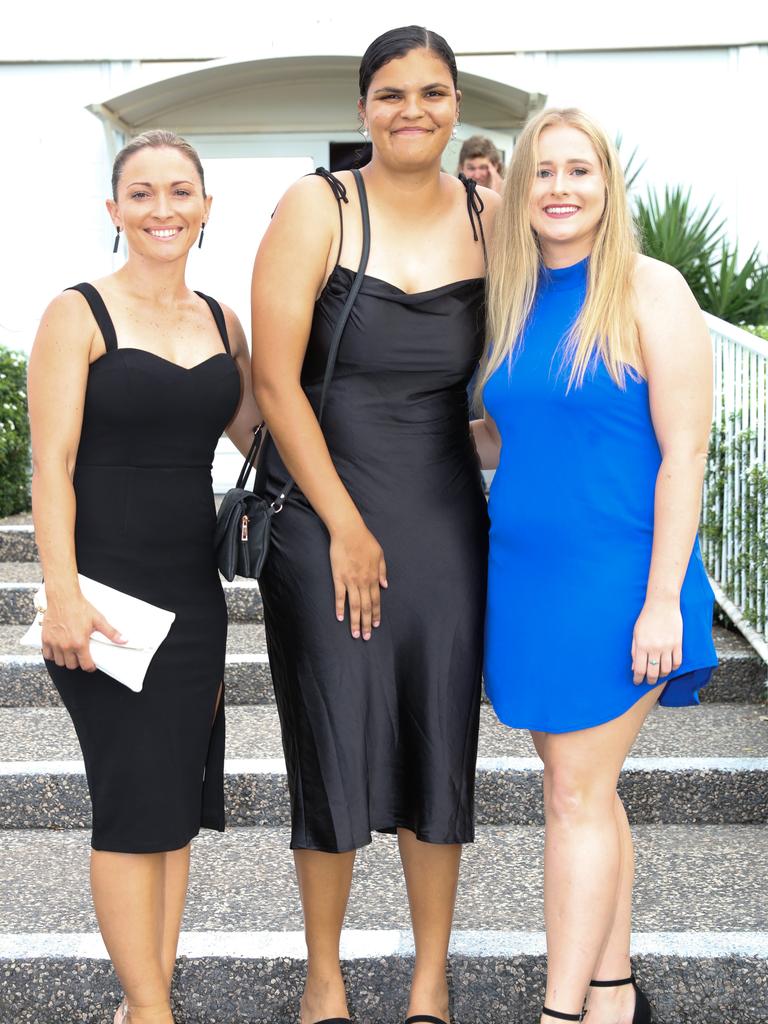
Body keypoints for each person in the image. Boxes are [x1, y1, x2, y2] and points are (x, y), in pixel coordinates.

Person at [250, 26, 498, 1024]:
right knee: (333, 737)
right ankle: (325, 978)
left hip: (443, 511)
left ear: (455, 105)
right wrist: (345, 525)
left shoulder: (492, 215)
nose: (413, 109)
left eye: (433, 92)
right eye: (392, 93)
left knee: (441, 741)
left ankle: (430, 983)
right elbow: (274, 380)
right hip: (323, 510)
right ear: (363, 108)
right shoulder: (319, 205)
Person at [472, 107, 717, 1024]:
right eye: (544, 172)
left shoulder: (652, 291)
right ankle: (612, 993)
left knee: (573, 794)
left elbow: (685, 454)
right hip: (528, 579)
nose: (562, 187)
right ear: (519, 190)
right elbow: (510, 433)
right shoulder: (515, 297)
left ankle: (561, 1011)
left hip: (620, 583)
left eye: (581, 170)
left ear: (609, 184)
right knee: (585, 790)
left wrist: (663, 600)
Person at [28, 130, 260, 1024]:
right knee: (132, 804)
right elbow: (51, 466)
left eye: (180, 192)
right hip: (104, 592)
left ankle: (144, 1001)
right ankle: (151, 1011)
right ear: (114, 208)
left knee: (171, 804)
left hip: (194, 595)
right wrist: (62, 595)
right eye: (142, 193)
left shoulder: (221, 320)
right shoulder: (77, 313)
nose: (163, 209)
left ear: (206, 208)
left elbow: (254, 438)